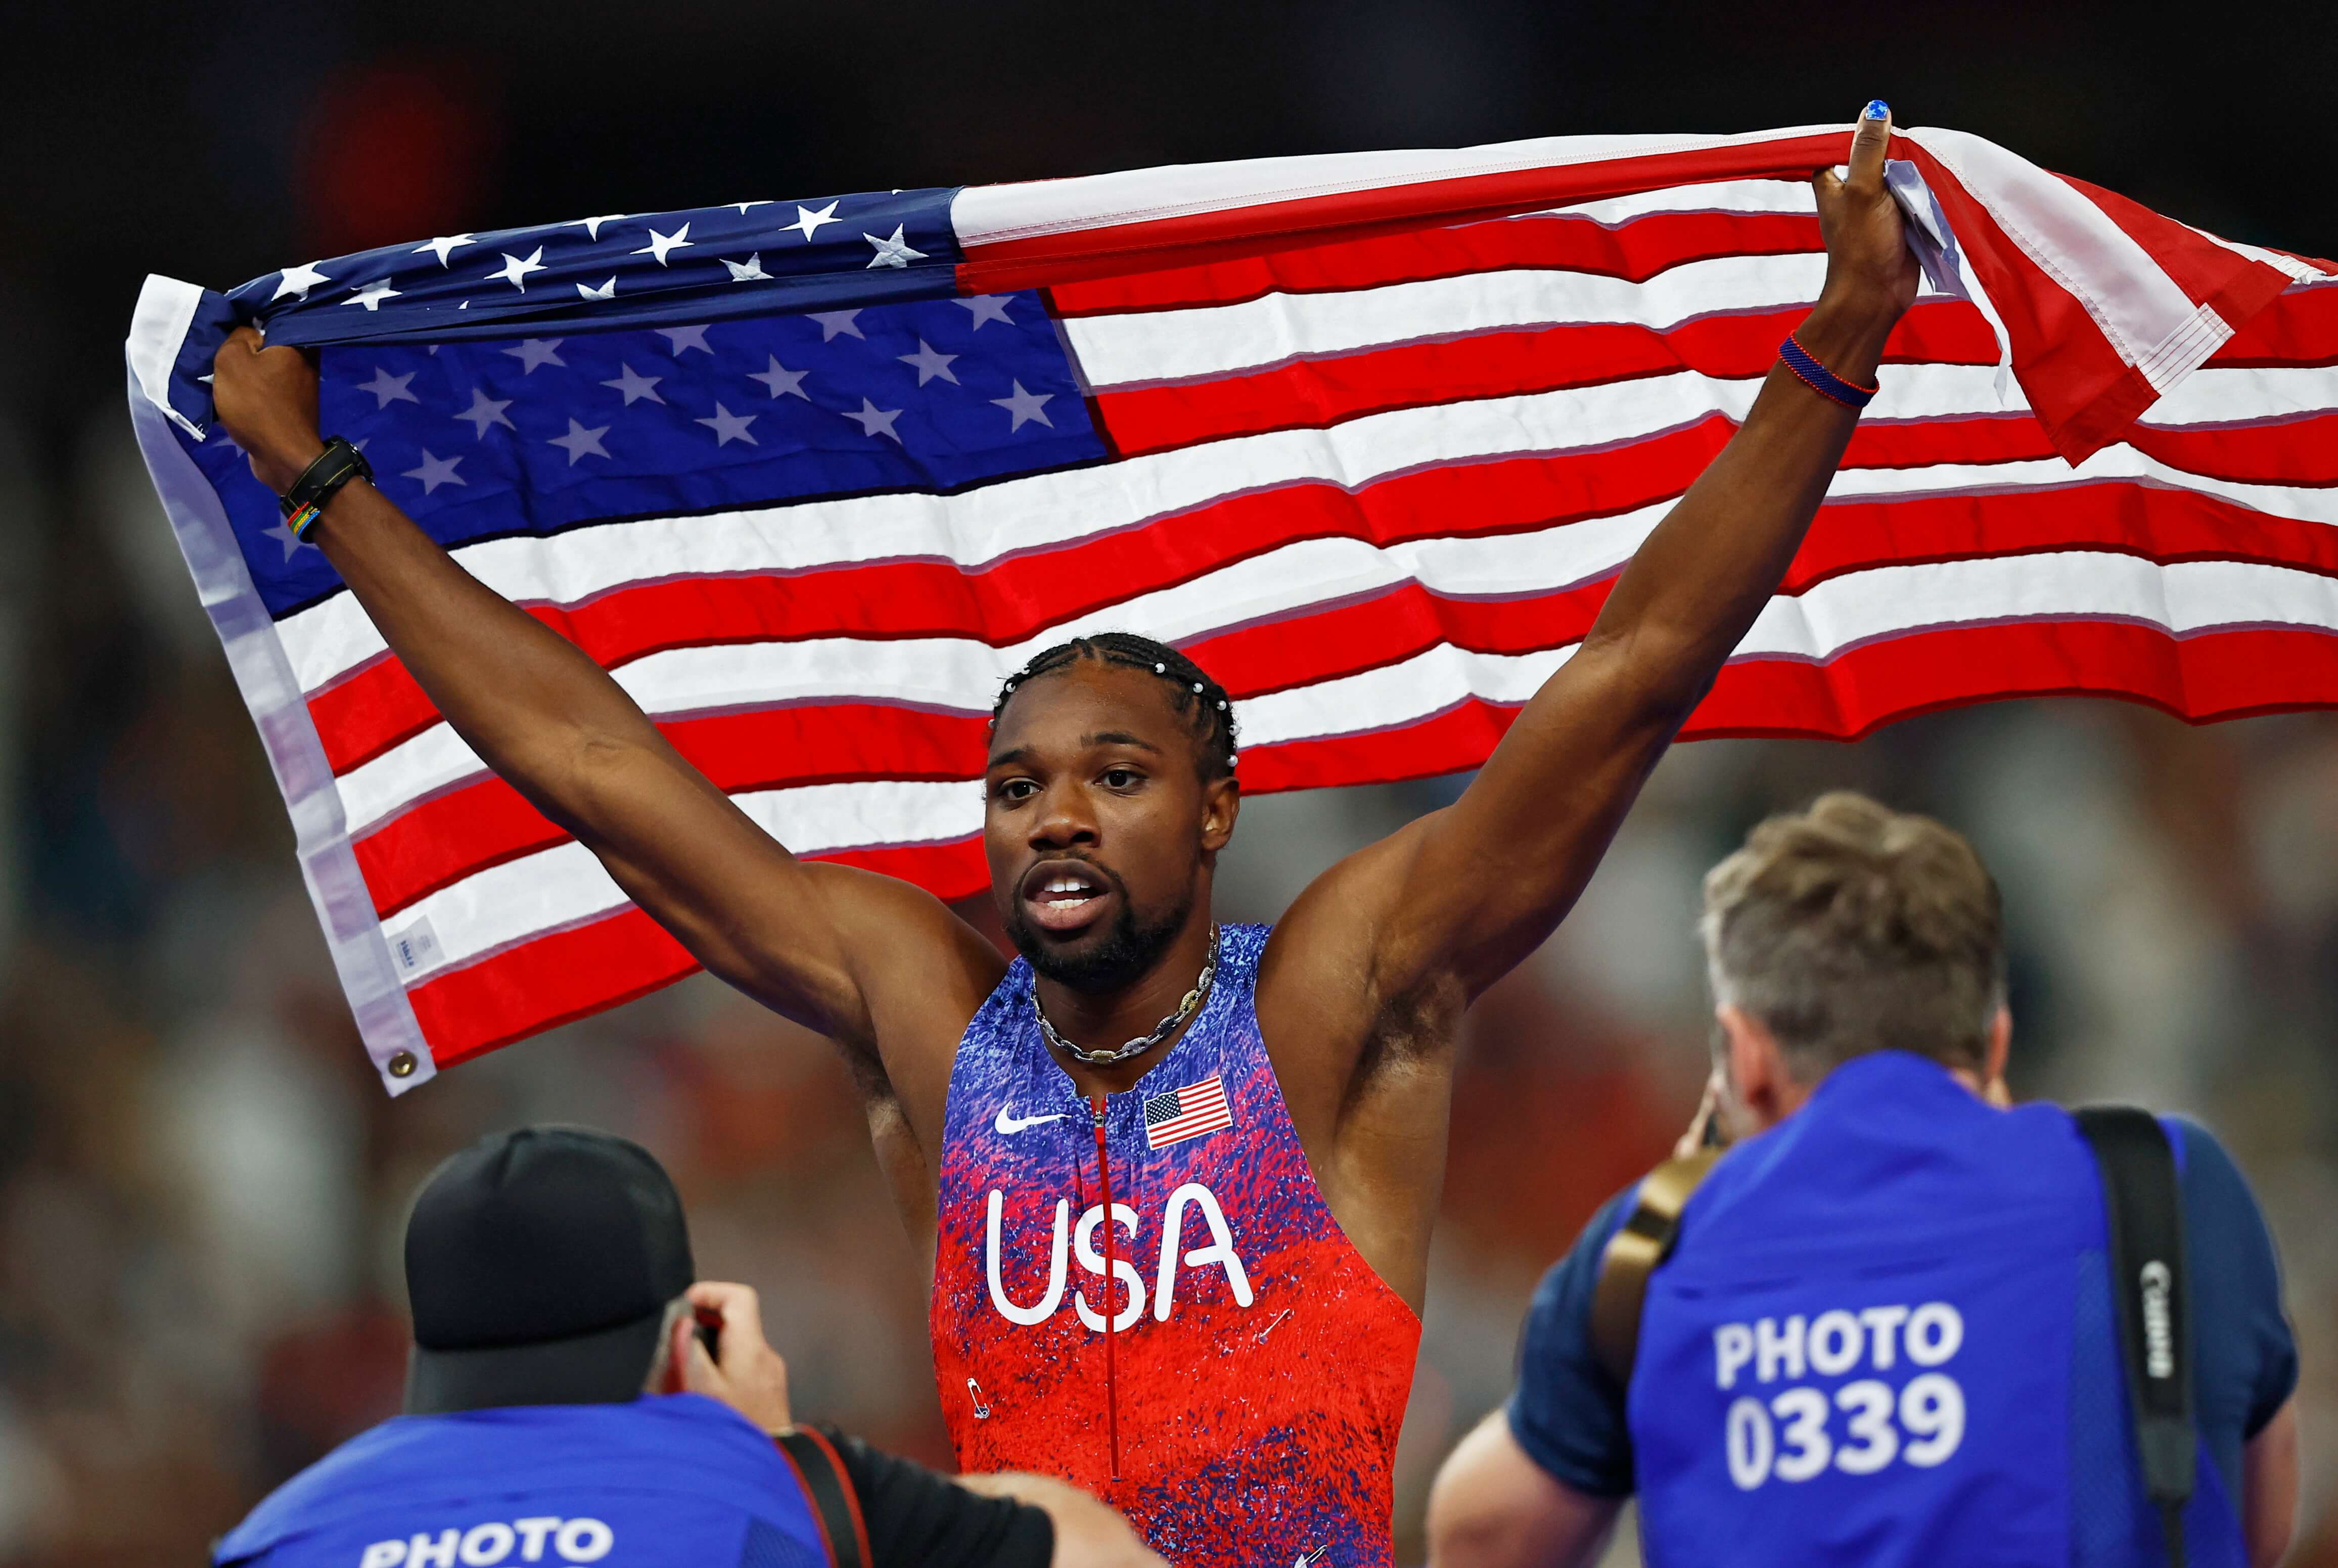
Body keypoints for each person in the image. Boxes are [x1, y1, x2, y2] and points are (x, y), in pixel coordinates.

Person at [206, 102, 1919, 1568]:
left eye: (1114, 774)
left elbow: (1621, 679)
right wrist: (322, 486)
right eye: (1019, 784)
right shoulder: (924, 1013)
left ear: (1219, 807)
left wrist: (1829, 351)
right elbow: (597, 766)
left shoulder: (1333, 996)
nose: (1055, 816)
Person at [1425, 792, 2301, 1568]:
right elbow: (2254, 1527)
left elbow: (1480, 1541)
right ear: (1993, 1040)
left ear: (1745, 1057)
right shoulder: (2165, 1184)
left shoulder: (1654, 1241)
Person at [213, 1126, 1161, 1568]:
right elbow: (1097, 1553)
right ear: (688, 1336)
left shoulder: (274, 1534)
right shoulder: (779, 1485)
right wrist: (771, 1448)